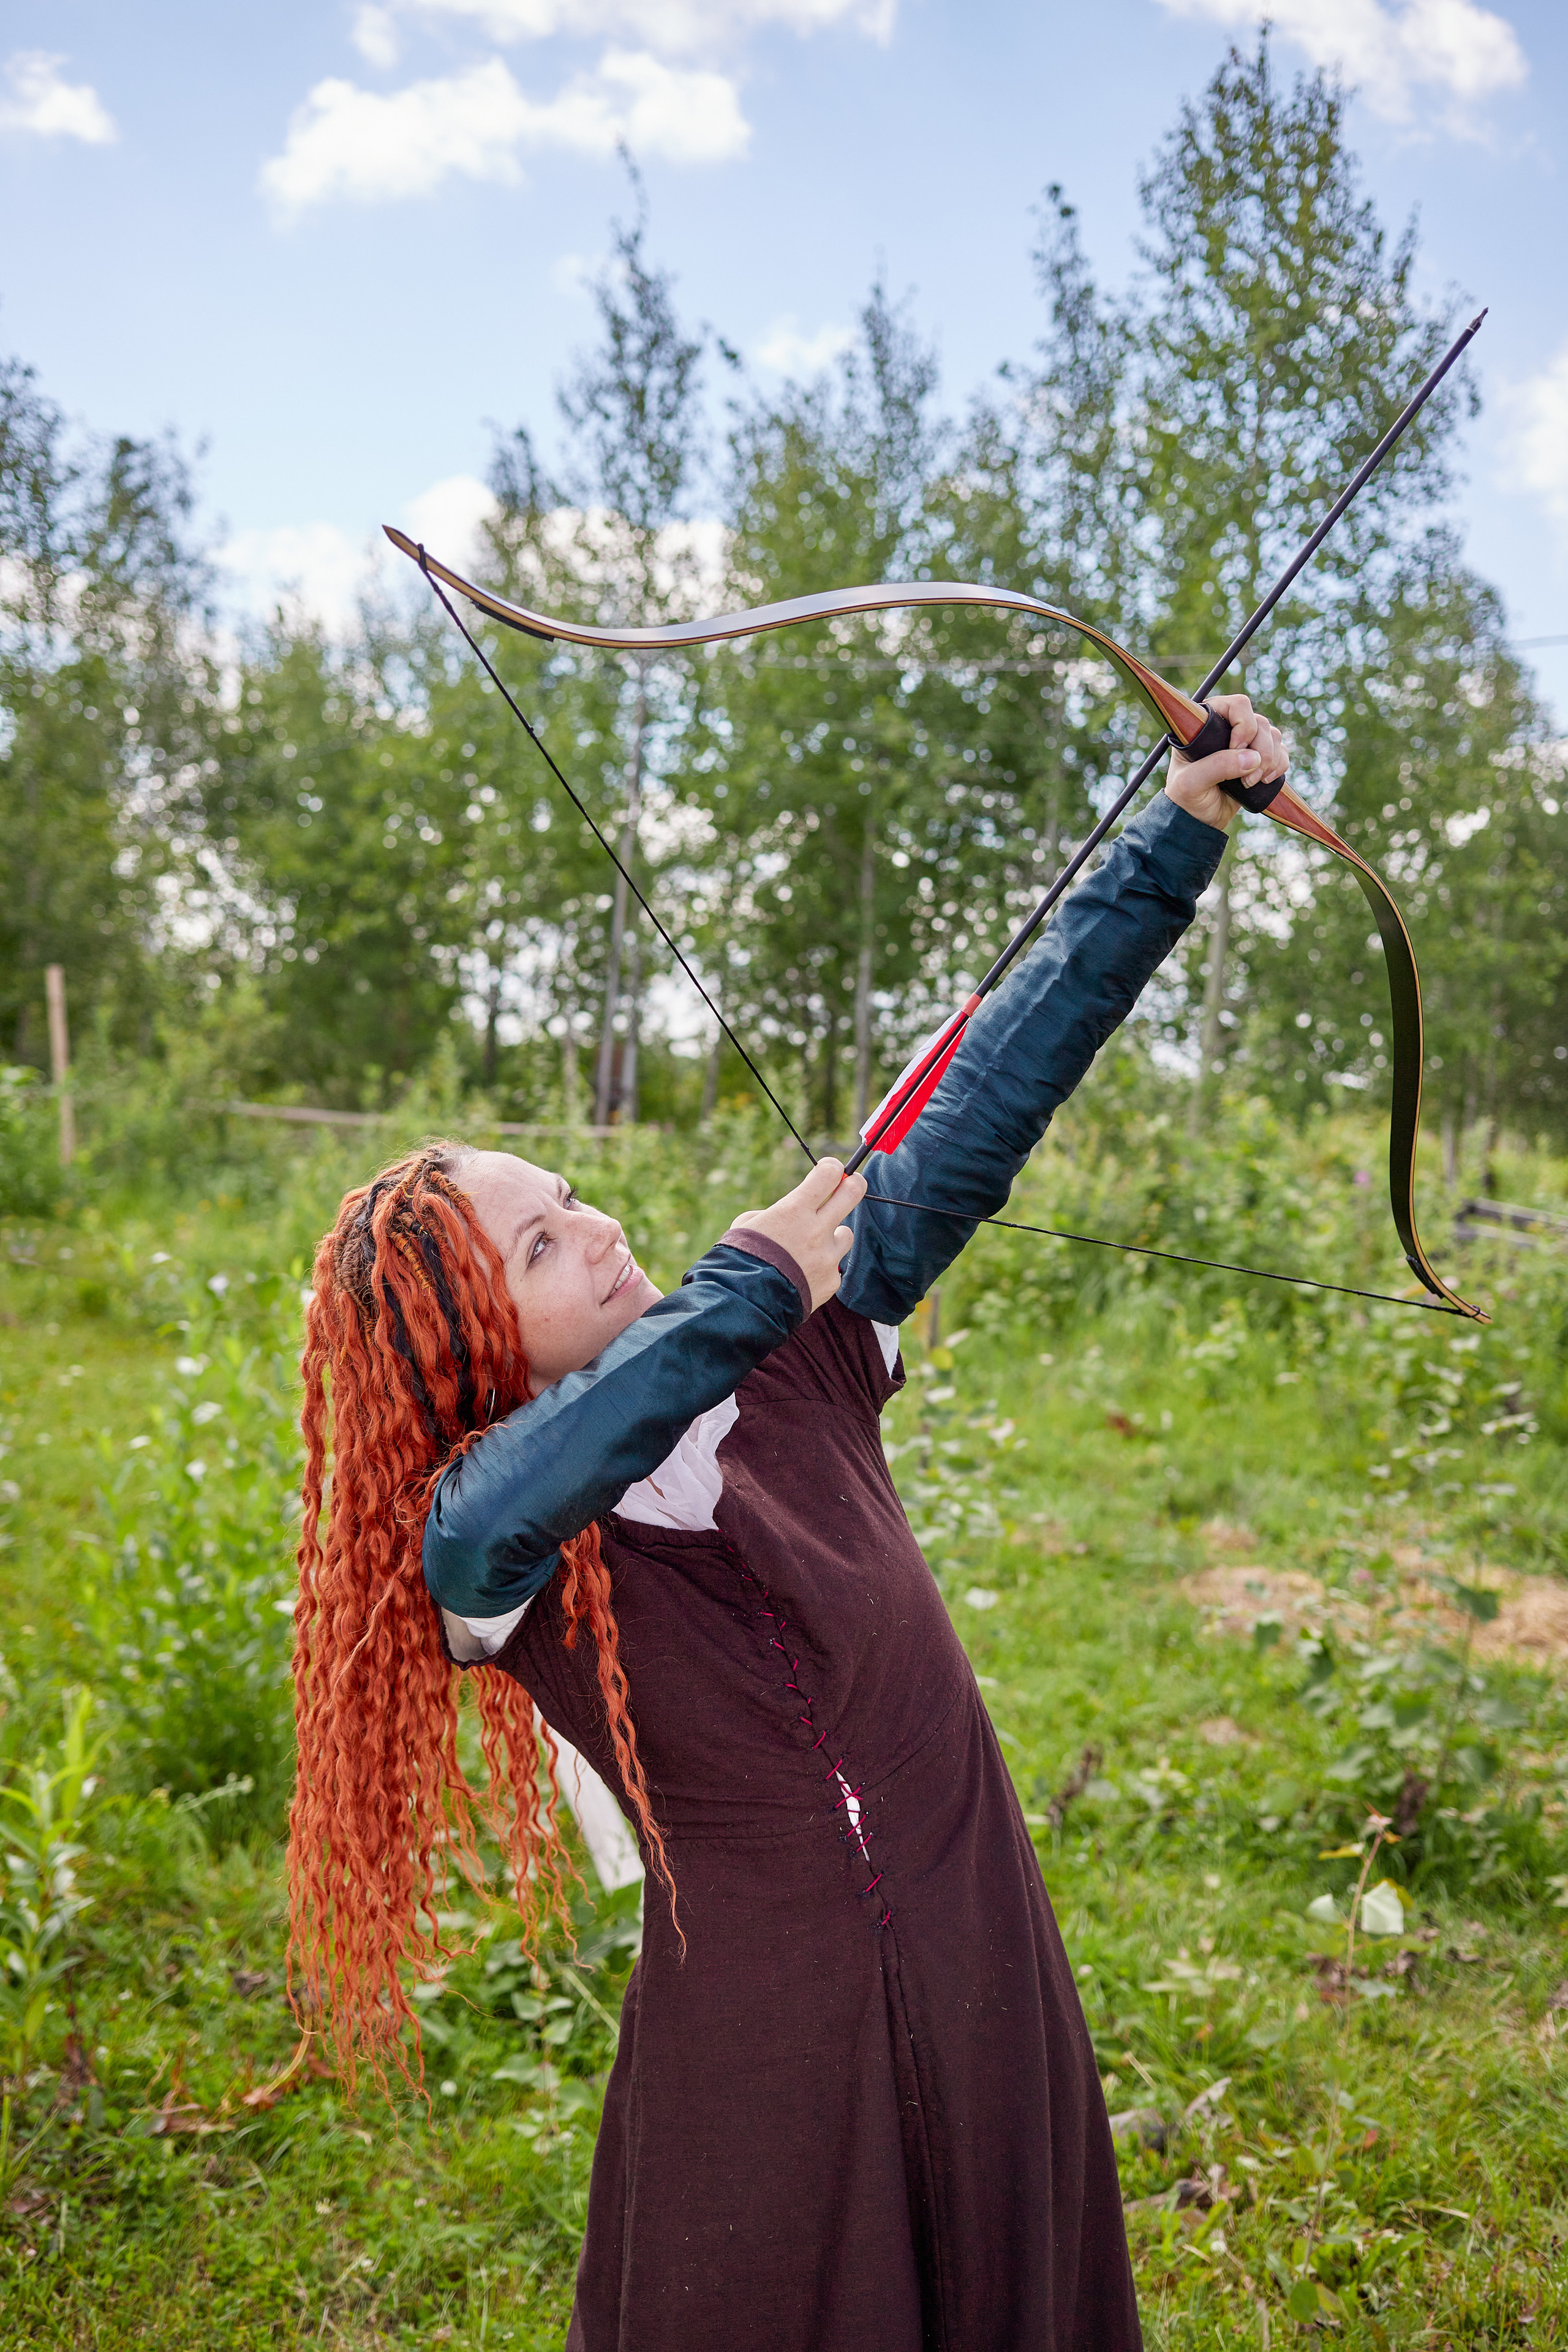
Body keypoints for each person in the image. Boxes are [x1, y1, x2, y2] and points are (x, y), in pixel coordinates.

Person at [288, 699, 1287, 2352]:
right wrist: (741, 1292)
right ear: (469, 1339)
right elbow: (482, 1527)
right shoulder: (499, 1541)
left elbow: (984, 1099)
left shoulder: (800, 1343)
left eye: (569, 1197)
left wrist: (1176, 839)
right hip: (762, 2026)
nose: (593, 1229)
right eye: (539, 1248)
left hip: (976, 1928)